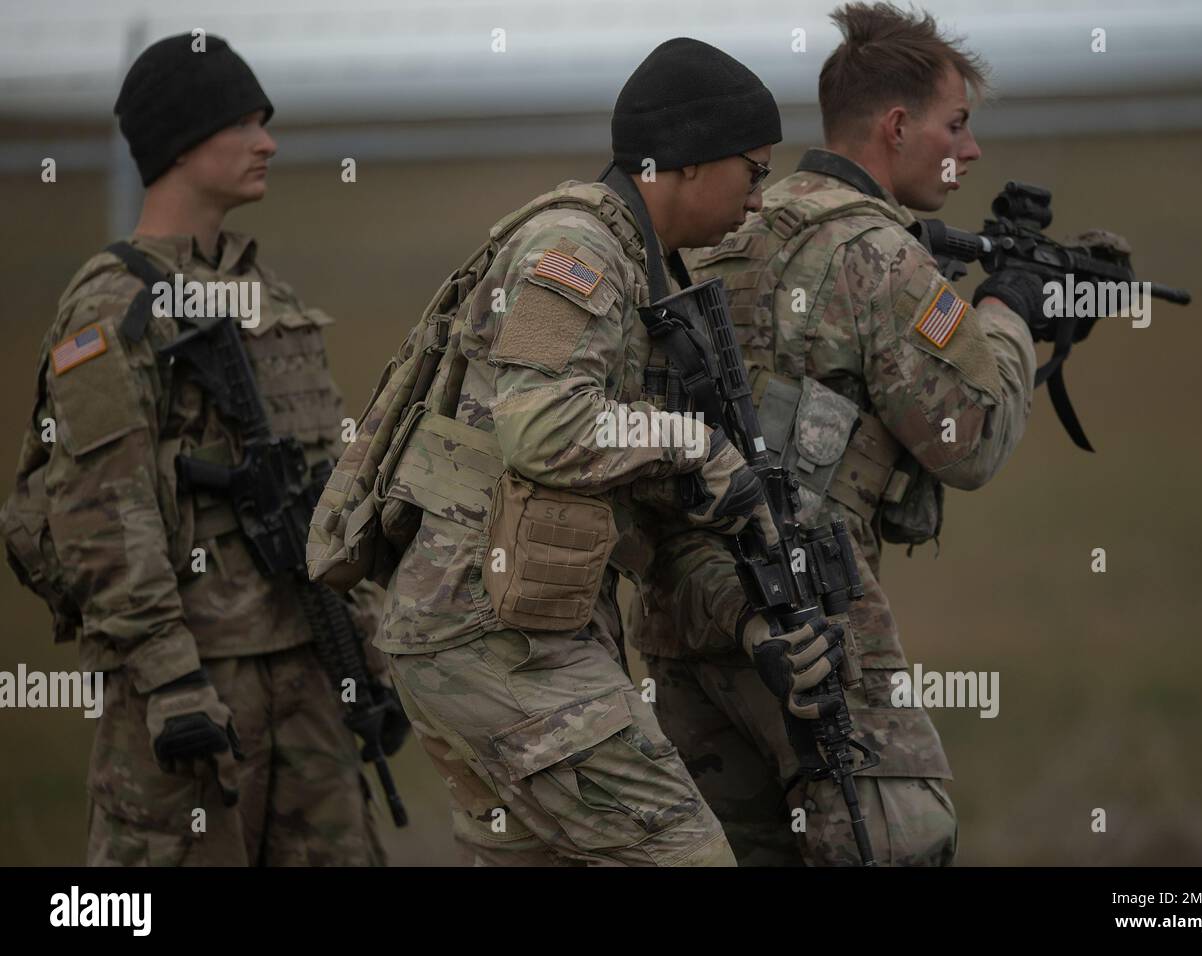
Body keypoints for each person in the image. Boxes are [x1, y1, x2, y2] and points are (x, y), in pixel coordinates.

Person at [368, 37, 802, 866]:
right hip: (487, 632)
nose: (758, 198)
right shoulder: (576, 254)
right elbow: (540, 426)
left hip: (491, 622)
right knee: (685, 852)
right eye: (753, 170)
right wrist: (697, 447)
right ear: (687, 162)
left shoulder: (638, 262)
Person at [630, 2, 1043, 865]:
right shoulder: (880, 256)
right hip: (805, 619)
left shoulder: (728, 229)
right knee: (898, 843)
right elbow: (970, 441)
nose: (968, 151)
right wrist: (1008, 312)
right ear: (896, 126)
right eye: (955, 125)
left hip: (686, 617)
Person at [0, 33, 400, 865]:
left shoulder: (265, 294)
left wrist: (366, 653)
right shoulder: (112, 308)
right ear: (183, 142)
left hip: (306, 666)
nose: (269, 142)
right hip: (191, 684)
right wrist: (171, 679)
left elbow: (320, 490)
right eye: (246, 123)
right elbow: (102, 514)